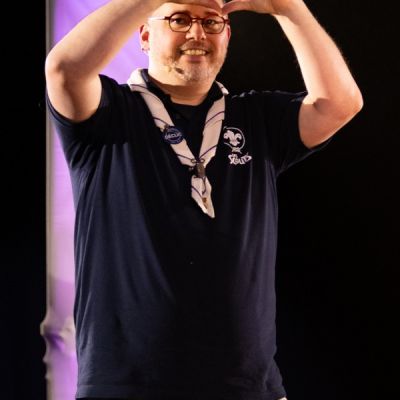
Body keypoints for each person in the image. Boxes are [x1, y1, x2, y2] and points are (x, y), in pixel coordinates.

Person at [45, 0, 362, 399]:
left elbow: (340, 104)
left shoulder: (256, 118)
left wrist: (289, 8)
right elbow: (64, 69)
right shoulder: (107, 114)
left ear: (227, 36)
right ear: (145, 35)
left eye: (212, 22)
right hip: (126, 386)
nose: (197, 33)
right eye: (179, 19)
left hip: (248, 388)